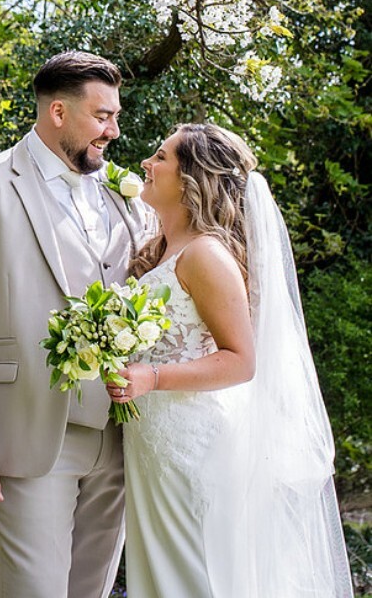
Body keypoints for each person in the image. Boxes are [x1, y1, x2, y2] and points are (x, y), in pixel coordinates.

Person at [0, 51, 147, 598]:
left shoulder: (125, 198)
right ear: (57, 114)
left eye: (114, 116)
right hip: (27, 435)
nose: (113, 130)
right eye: (102, 116)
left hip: (121, 438)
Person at [106, 122, 353, 598]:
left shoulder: (205, 256)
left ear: (191, 179)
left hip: (191, 446)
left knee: (200, 575)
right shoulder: (160, 252)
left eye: (161, 157)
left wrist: (150, 377)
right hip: (154, 447)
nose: (146, 164)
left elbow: (241, 361)